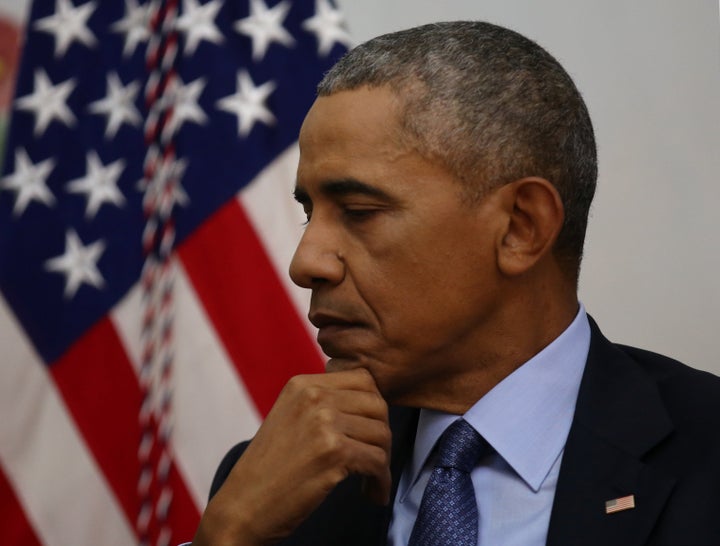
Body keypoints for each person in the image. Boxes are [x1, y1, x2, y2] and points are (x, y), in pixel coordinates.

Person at [189, 21, 720, 546]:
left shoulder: (705, 452)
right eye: (310, 213)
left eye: (359, 211)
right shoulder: (269, 491)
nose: (306, 262)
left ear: (520, 228)